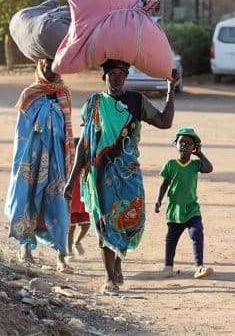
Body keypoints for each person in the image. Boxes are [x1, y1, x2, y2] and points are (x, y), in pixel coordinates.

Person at [63, 59, 179, 295]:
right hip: (100, 175)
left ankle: (117, 263)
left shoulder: (137, 101)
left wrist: (170, 89)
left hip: (128, 173)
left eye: (121, 74)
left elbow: (165, 123)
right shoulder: (93, 104)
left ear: (126, 77)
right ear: (103, 77)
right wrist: (72, 179)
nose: (116, 78)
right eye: (112, 74)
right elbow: (84, 145)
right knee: (106, 223)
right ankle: (109, 278)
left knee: (129, 219)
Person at [4, 58, 75, 273]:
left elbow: (68, 132)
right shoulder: (29, 95)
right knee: (27, 200)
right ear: (40, 67)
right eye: (47, 65)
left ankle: (62, 256)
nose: (52, 70)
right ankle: (25, 248)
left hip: (56, 161)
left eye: (56, 65)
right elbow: (21, 134)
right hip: (31, 160)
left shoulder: (64, 94)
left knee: (59, 205)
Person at [154, 127, 214, 279]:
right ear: (176, 144)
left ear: (194, 147)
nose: (185, 145)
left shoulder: (195, 165)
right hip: (174, 210)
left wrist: (200, 154)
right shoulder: (170, 164)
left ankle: (200, 267)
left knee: (197, 233)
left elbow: (209, 169)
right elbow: (164, 184)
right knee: (171, 239)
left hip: (192, 209)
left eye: (189, 143)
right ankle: (168, 267)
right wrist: (158, 200)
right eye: (181, 142)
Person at [67, 137, 90, 259]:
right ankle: (69, 251)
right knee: (70, 228)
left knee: (86, 225)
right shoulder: (69, 165)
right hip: (71, 203)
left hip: (82, 204)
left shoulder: (86, 166)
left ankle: (77, 242)